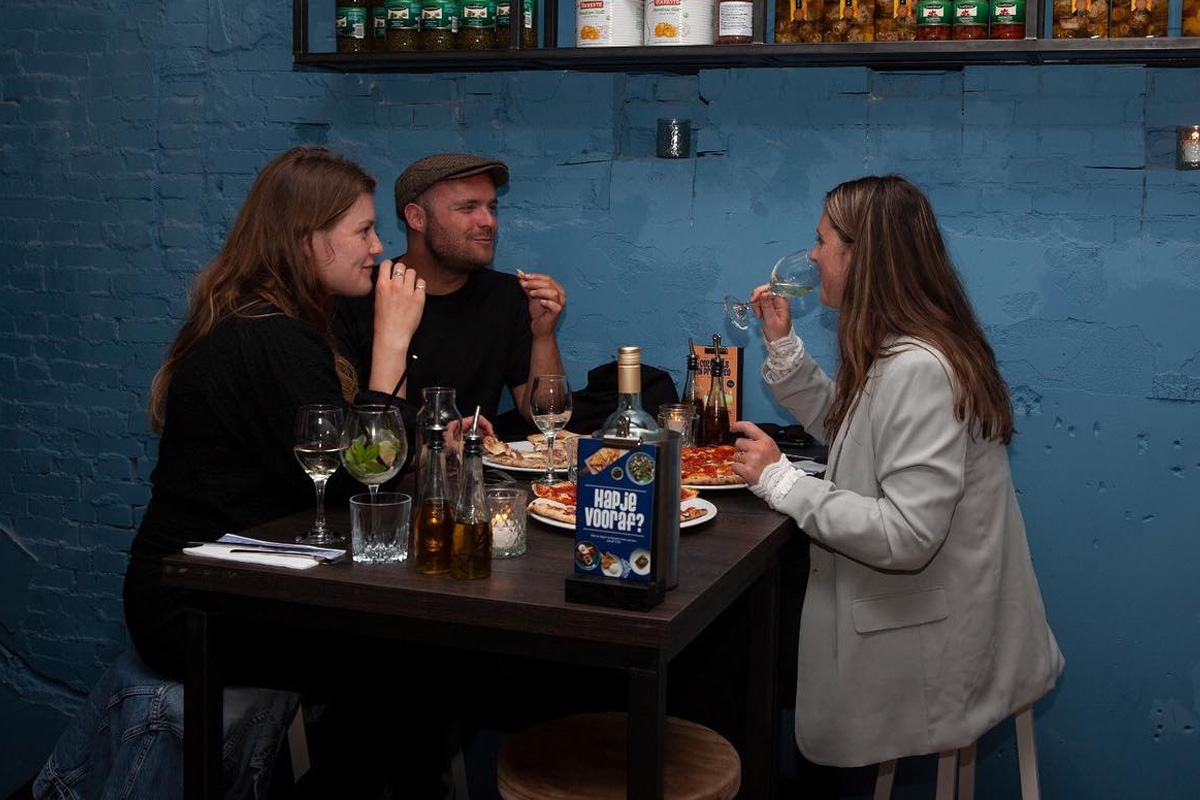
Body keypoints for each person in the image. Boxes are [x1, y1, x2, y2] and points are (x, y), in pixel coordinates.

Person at [731, 176, 1064, 770]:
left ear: (863, 257)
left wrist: (784, 483)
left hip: (937, 656)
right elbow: (855, 432)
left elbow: (907, 535)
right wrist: (783, 346)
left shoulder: (919, 367)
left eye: (822, 241)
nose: (813, 256)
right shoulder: (907, 347)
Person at [125, 146, 421, 677]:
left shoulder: (272, 321)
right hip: (200, 602)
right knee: (416, 654)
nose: (378, 247)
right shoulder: (268, 335)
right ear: (307, 240)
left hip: (251, 577)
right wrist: (392, 344)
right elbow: (354, 484)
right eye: (364, 231)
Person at [333, 153, 567, 435]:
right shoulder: (358, 293)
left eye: (492, 207)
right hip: (387, 457)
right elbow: (346, 431)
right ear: (417, 218)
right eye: (468, 208)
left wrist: (543, 335)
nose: (489, 221)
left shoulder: (507, 296)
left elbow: (546, 417)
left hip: (479, 462)